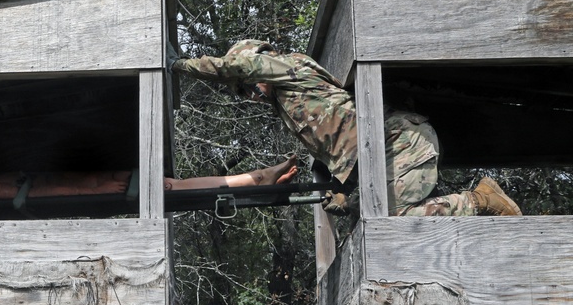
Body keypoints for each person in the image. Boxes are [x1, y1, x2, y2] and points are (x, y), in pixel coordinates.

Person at [172, 40, 521, 216]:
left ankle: (480, 200)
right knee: (366, 218)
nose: (250, 96)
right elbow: (347, 144)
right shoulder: (289, 98)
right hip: (380, 150)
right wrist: (343, 191)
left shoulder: (287, 67)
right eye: (242, 94)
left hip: (399, 141)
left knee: (392, 217)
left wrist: (179, 64)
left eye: (247, 85)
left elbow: (236, 65)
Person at [0, 156, 299, 200]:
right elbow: (49, 191)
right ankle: (255, 180)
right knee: (176, 187)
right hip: (97, 189)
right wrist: (105, 187)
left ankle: (256, 180)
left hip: (98, 177)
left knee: (176, 184)